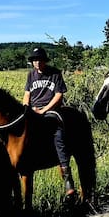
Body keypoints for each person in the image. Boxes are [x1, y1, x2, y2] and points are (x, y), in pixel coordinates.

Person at [22, 47, 75, 197]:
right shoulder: (31, 75)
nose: (37, 63)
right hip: (33, 109)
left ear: (45, 60)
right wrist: (27, 108)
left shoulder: (55, 73)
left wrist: (44, 109)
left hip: (51, 110)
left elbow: (59, 95)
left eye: (39, 60)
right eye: (34, 60)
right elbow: (27, 94)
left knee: (57, 133)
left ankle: (66, 175)